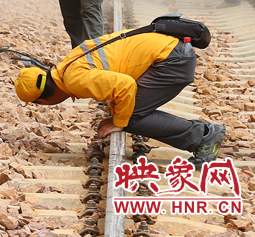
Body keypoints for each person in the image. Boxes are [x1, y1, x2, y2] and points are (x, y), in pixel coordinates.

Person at [13, 29, 226, 166]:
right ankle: (201, 133)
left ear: (43, 101)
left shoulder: (73, 80)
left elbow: (125, 85)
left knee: (131, 118)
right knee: (125, 112)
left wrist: (119, 121)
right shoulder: (67, 64)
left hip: (172, 61)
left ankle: (205, 135)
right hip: (172, 51)